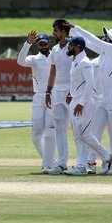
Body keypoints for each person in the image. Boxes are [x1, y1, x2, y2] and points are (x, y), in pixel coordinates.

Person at [70, 25, 112, 174]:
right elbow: (88, 43)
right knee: (94, 131)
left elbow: (94, 41)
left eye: (106, 37)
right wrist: (73, 33)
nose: (103, 38)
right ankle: (91, 163)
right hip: (102, 98)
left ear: (111, 41)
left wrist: (76, 28)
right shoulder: (100, 57)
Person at [63, 36, 112, 176]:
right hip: (76, 100)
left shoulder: (85, 62)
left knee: (84, 134)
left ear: (78, 46)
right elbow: (77, 82)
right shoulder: (76, 61)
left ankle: (105, 157)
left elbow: (90, 83)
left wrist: (81, 103)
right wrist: (70, 93)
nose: (69, 47)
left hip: (84, 102)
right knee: (78, 136)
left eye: (71, 45)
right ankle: (84, 164)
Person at [17, 31, 56, 173]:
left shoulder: (55, 55)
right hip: (39, 96)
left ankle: (48, 164)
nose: (43, 45)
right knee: (35, 135)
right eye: (40, 44)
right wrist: (27, 43)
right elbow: (20, 61)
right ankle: (51, 161)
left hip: (54, 96)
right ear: (38, 45)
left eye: (45, 43)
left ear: (49, 43)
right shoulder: (34, 59)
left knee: (50, 131)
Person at [45, 19, 73, 175]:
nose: (53, 33)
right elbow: (53, 71)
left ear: (63, 31)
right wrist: (48, 92)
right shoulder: (55, 49)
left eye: (55, 30)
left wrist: (73, 91)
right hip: (57, 92)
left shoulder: (73, 46)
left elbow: (77, 69)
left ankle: (86, 162)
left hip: (71, 91)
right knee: (59, 129)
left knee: (78, 128)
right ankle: (62, 163)